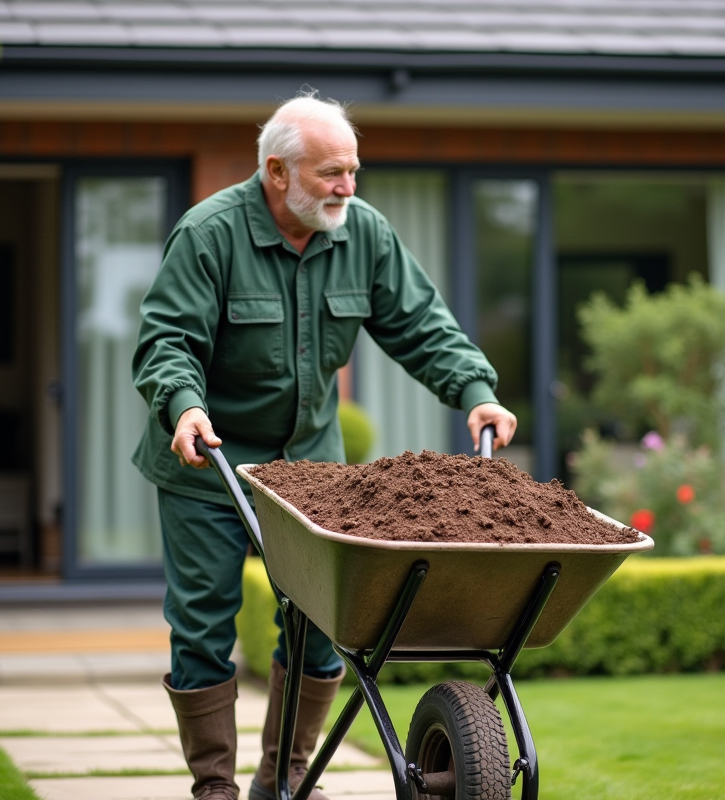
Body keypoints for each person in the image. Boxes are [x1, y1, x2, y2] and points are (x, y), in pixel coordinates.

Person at [131, 92, 518, 800]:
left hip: (309, 472)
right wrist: (182, 407)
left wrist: (476, 390)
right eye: (331, 173)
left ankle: (285, 779)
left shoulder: (362, 234)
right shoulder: (209, 234)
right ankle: (213, 788)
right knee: (201, 628)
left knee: (322, 626)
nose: (348, 187)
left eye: (353, 172)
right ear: (277, 173)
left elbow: (423, 325)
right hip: (208, 466)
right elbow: (168, 342)